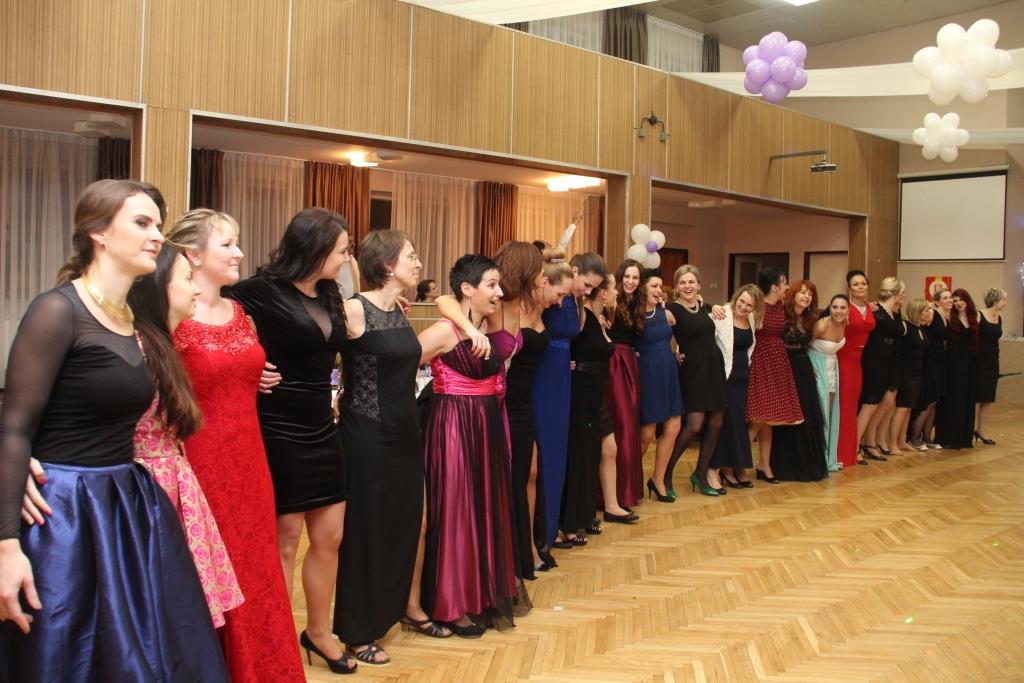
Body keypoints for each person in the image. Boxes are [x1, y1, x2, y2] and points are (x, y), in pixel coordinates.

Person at [0, 180, 228, 681]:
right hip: (63, 512)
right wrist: (6, 547)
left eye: (158, 225)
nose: (157, 236)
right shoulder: (58, 310)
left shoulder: (130, 323)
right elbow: (13, 426)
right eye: (142, 223)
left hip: (123, 502)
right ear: (99, 232)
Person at [166, 209, 305, 682]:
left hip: (250, 459)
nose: (239, 253)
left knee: (256, 568)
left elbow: (235, 368)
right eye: (226, 244)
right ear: (192, 254)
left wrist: (251, 375)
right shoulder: (173, 315)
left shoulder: (240, 312)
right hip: (201, 461)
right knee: (209, 570)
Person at [224, 208, 356, 673]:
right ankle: (276, 638)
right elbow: (207, 314)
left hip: (322, 424)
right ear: (315, 249)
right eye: (341, 250)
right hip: (277, 426)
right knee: (285, 540)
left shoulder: (331, 292)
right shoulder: (260, 290)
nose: (346, 259)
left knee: (330, 536)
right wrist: (248, 362)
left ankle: (318, 632)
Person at [335, 229, 448, 666]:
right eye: (411, 256)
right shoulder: (353, 310)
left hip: (404, 433)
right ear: (386, 265)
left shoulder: (398, 311)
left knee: (404, 524)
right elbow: (317, 354)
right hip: (367, 437)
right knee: (366, 532)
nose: (418, 263)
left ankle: (395, 609)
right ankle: (356, 631)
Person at [128, 243, 244, 628]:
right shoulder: (138, 352)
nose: (195, 289)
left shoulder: (161, 346)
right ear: (159, 287)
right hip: (148, 491)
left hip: (174, 483)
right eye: (186, 279)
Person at [419, 254, 531, 636]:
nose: (499, 292)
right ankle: (450, 604)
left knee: (479, 510)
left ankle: (476, 593)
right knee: (456, 511)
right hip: (452, 426)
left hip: (484, 427)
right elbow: (398, 364)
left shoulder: (484, 325)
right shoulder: (445, 331)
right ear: (467, 288)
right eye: (491, 284)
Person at [433, 241, 548, 577]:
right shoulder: (489, 308)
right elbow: (444, 301)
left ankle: (510, 557)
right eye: (537, 269)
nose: (541, 275)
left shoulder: (517, 305)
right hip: (476, 403)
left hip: (503, 400)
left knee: (514, 479)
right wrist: (470, 329)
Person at [532, 251, 606, 550]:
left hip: (563, 377)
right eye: (586, 285)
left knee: (560, 452)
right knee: (545, 452)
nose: (587, 292)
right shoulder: (549, 295)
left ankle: (554, 525)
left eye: (592, 289)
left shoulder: (575, 303)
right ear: (574, 271)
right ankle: (541, 532)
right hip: (543, 375)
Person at [563, 272, 619, 541]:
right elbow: (567, 346)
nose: (617, 293)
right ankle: (572, 521)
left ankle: (585, 515)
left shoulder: (598, 319)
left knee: (592, 455)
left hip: (596, 396)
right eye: (614, 288)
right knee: (581, 456)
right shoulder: (582, 317)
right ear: (604, 293)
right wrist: (566, 364)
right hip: (581, 394)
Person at [664, 265, 728, 497]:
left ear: (699, 285)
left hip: (713, 366)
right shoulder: (671, 310)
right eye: (682, 282)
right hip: (693, 370)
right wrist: (671, 356)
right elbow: (657, 336)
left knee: (717, 421)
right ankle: (664, 474)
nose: (687, 286)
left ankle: (700, 474)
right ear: (676, 287)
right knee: (694, 424)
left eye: (691, 282)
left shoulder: (705, 307)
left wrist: (714, 306)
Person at [746, 268, 800, 484]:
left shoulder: (781, 305)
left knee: (770, 419)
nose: (787, 286)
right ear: (775, 287)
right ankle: (732, 465)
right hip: (760, 361)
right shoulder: (757, 305)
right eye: (784, 282)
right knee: (759, 417)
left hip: (777, 361)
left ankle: (764, 464)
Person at [770, 280, 828, 482]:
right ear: (793, 294)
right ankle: (785, 467)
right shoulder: (781, 315)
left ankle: (807, 466)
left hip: (803, 368)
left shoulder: (810, 319)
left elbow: (807, 345)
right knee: (787, 418)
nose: (806, 297)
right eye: (802, 292)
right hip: (785, 367)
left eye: (810, 294)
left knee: (806, 415)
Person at [634, 269, 684, 502]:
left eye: (660, 286)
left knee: (673, 426)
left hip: (668, 371)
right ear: (642, 288)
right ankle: (628, 478)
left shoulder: (666, 312)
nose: (659, 290)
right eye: (654, 286)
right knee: (646, 433)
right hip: (648, 374)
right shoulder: (632, 315)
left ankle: (658, 479)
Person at [710, 284, 762, 488]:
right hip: (726, 377)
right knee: (729, 424)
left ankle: (737, 466)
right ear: (736, 297)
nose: (744, 307)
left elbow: (749, 347)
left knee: (739, 423)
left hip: (743, 378)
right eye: (742, 301)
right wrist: (711, 307)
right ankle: (726, 469)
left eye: (749, 305)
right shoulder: (722, 314)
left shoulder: (750, 319)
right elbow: (706, 332)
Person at [603, 259, 644, 510]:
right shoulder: (611, 300)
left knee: (631, 426)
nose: (630, 281)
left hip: (629, 363)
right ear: (620, 277)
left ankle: (627, 490)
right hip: (613, 364)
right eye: (627, 276)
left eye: (635, 278)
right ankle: (614, 495)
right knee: (622, 424)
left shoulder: (637, 302)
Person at [860, 277, 906, 460]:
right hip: (875, 361)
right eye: (902, 292)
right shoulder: (876, 310)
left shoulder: (894, 312)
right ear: (896, 293)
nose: (904, 295)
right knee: (874, 403)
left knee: (887, 403)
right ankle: (866, 442)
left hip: (892, 361)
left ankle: (871, 440)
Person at [837, 270, 875, 467]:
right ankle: (839, 454)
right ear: (849, 288)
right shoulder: (844, 307)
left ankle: (851, 451)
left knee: (853, 407)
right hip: (843, 359)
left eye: (863, 283)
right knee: (843, 407)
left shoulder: (870, 307)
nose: (860, 287)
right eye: (855, 284)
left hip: (858, 363)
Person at [809, 294, 848, 472]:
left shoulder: (845, 324)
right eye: (835, 307)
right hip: (817, 369)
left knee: (830, 413)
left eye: (842, 307)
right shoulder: (822, 325)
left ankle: (826, 457)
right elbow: (803, 345)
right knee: (820, 414)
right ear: (830, 308)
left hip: (832, 371)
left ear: (848, 310)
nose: (838, 311)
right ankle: (815, 458)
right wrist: (810, 368)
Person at [937, 288, 978, 449]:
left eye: (961, 299)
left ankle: (965, 438)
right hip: (954, 364)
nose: (958, 303)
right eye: (955, 300)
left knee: (968, 398)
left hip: (971, 364)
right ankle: (951, 438)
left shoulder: (974, 317)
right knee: (956, 399)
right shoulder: (949, 317)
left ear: (967, 300)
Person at [911, 289, 952, 449]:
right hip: (929, 364)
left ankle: (927, 437)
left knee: (934, 402)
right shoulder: (932, 313)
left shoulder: (946, 317)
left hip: (941, 363)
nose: (949, 300)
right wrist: (928, 306)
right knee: (927, 402)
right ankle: (914, 437)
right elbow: (920, 318)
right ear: (937, 301)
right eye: (945, 298)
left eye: (950, 297)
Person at [890, 299, 931, 453]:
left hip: (917, 373)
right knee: (901, 408)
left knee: (908, 409)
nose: (929, 313)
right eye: (926, 310)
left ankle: (902, 441)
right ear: (917, 312)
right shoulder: (905, 326)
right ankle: (892, 443)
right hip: (905, 373)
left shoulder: (921, 328)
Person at [974, 287, 1006, 444]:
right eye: (1003, 300)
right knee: (974, 397)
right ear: (995, 300)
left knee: (988, 398)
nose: (1005, 303)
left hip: (993, 361)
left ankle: (981, 431)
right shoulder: (979, 315)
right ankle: (965, 431)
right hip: (979, 362)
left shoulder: (999, 318)